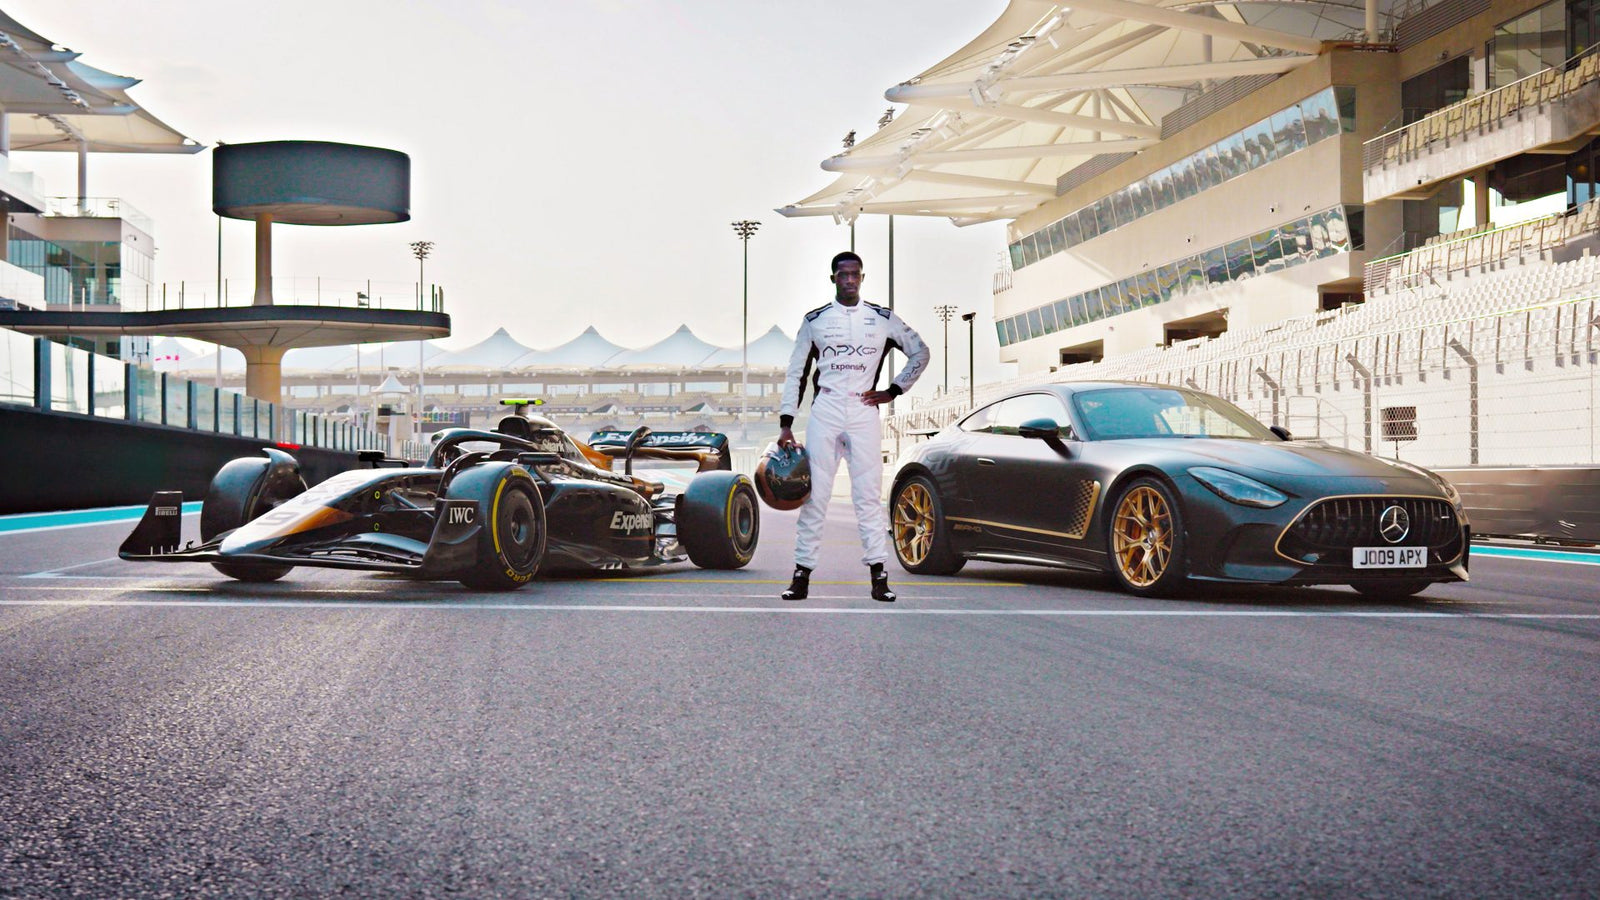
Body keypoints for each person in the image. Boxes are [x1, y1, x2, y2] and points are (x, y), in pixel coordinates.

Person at [776, 251, 930, 602]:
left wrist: (893, 391)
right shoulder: (815, 320)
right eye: (842, 275)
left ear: (862, 277)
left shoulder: (882, 318)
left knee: (868, 497)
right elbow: (796, 373)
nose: (849, 280)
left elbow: (921, 352)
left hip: (863, 409)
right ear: (832, 278)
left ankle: (879, 577)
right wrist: (786, 423)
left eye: (855, 274)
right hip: (826, 409)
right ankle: (801, 576)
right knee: (815, 496)